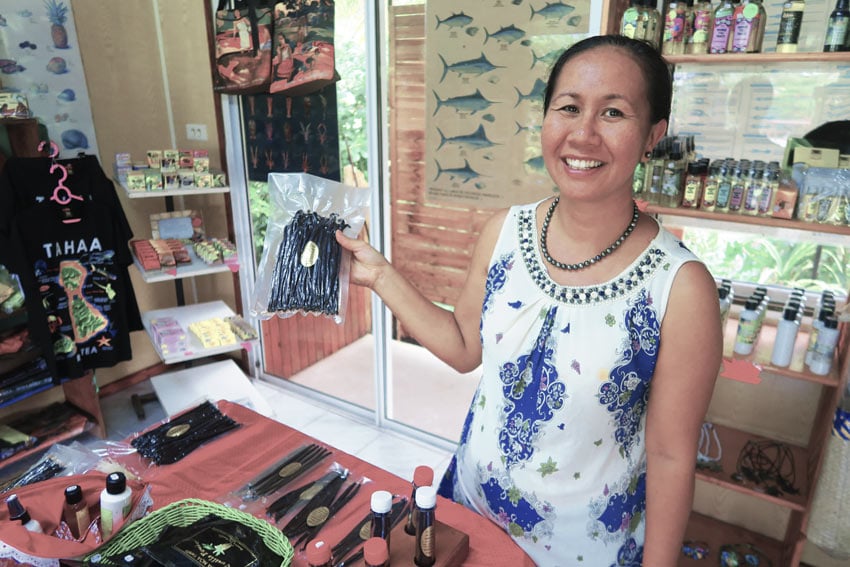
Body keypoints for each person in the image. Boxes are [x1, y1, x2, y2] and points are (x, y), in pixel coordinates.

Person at [336, 34, 722, 566]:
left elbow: (672, 456)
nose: (582, 135)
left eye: (613, 113)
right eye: (568, 108)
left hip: (582, 551)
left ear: (653, 134)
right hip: (466, 514)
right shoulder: (504, 232)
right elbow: (464, 346)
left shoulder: (680, 287)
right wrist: (379, 274)